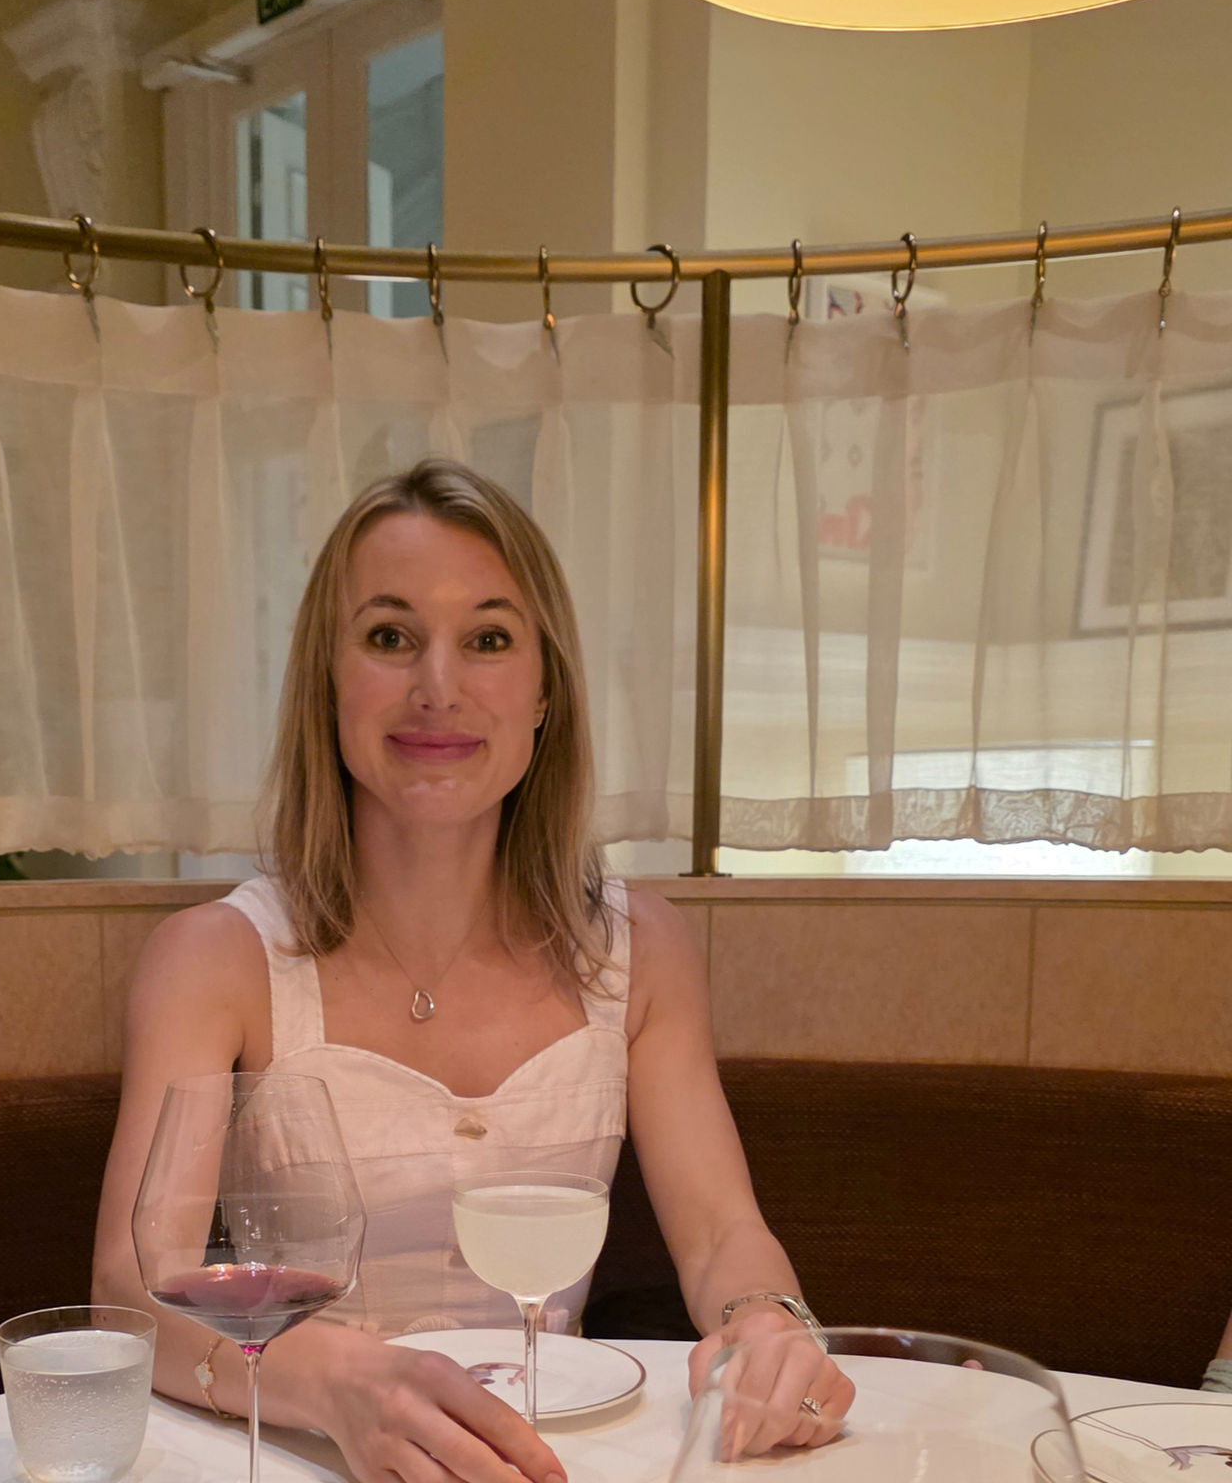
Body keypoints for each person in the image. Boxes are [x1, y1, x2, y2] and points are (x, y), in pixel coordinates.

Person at [92, 459, 854, 1483]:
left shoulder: (643, 950)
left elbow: (723, 1236)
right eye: (389, 636)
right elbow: (130, 1290)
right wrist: (340, 1385)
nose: (437, 686)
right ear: (329, 677)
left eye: (489, 639)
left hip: (557, 1456)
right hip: (299, 1455)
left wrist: (768, 1323)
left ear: (545, 692)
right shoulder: (213, 959)